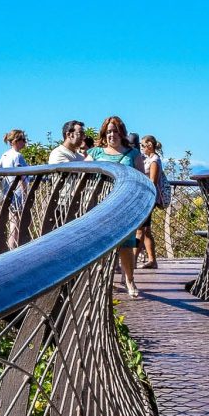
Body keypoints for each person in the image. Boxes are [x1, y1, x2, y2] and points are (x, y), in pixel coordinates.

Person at [88, 116, 143, 297]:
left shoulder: (133, 154)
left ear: (122, 133)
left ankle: (129, 280)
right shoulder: (95, 153)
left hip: (124, 205)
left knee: (126, 244)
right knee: (103, 244)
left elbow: (142, 179)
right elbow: (81, 172)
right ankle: (104, 282)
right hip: (101, 204)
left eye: (115, 131)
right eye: (109, 131)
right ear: (104, 133)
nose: (112, 135)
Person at [0, 129, 29, 249]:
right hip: (17, 194)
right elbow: (21, 175)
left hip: (7, 192)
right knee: (15, 224)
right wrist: (25, 193)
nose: (25, 142)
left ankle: (9, 248)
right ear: (16, 141)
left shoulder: (5, 155)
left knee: (11, 222)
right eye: (23, 139)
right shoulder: (17, 156)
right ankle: (13, 248)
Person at [139, 134, 168, 269]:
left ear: (149, 145)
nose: (141, 148)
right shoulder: (148, 159)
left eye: (142, 145)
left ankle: (133, 259)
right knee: (145, 230)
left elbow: (153, 182)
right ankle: (152, 260)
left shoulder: (154, 161)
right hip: (147, 199)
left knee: (140, 230)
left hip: (149, 199)